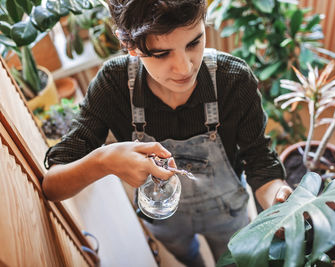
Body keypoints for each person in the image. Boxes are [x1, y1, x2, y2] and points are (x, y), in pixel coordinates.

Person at [43, 0, 292, 266]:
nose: (185, 68)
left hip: (227, 214)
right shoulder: (112, 86)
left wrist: (280, 200)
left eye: (194, 43)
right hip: (163, 219)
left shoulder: (233, 79)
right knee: (188, 257)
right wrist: (105, 160)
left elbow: (260, 162)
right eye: (162, 54)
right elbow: (52, 185)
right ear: (129, 46)